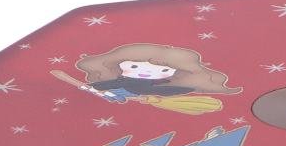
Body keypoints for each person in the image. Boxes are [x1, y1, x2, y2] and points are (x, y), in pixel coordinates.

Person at [75, 43, 241, 103]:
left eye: (165, 70)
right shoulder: (121, 81)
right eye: (135, 66)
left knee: (170, 89)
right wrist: (92, 87)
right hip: (123, 92)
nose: (147, 72)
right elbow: (107, 85)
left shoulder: (161, 84)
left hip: (146, 93)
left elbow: (160, 85)